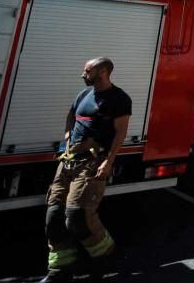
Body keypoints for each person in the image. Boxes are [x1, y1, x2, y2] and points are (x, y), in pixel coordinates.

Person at [43, 57, 131, 283]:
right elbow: (71, 115)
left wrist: (108, 162)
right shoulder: (83, 95)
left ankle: (105, 258)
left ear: (103, 71)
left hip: (92, 163)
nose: (83, 74)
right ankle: (59, 271)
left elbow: (120, 133)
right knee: (53, 215)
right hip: (68, 161)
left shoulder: (119, 99)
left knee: (76, 217)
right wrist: (66, 138)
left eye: (87, 70)